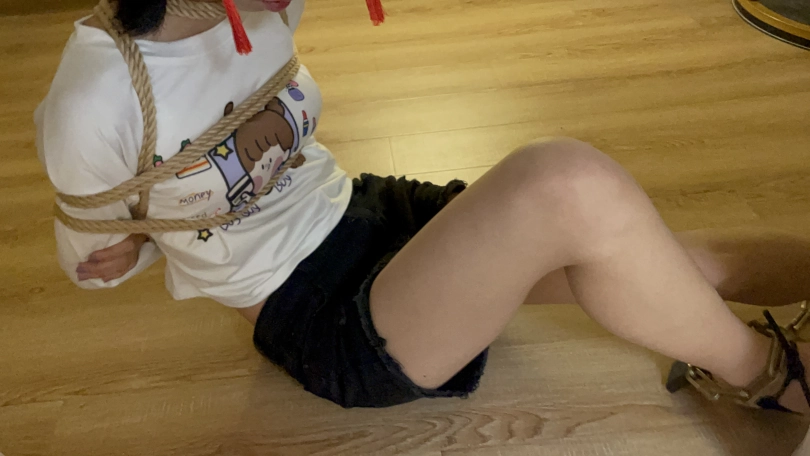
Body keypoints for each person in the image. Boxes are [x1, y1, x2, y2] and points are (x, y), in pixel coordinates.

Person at [36, 0, 810, 418]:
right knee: (567, 185)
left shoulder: (263, 8)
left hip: (370, 209)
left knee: (661, 258)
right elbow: (94, 258)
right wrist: (144, 241)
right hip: (318, 313)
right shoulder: (94, 100)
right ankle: (771, 379)